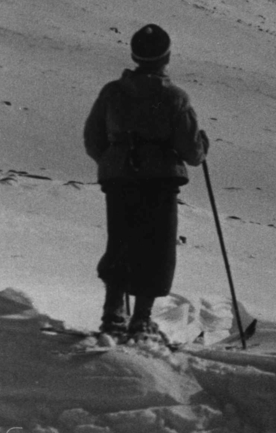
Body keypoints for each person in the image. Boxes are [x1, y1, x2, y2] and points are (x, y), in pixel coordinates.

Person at [83, 24, 209, 338]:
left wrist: (115, 162)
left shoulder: (112, 92)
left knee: (121, 242)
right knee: (157, 248)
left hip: (119, 180)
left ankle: (112, 314)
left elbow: (93, 138)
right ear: (166, 57)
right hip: (160, 182)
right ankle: (141, 319)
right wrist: (202, 145)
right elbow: (192, 152)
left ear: (134, 55)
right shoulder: (175, 97)